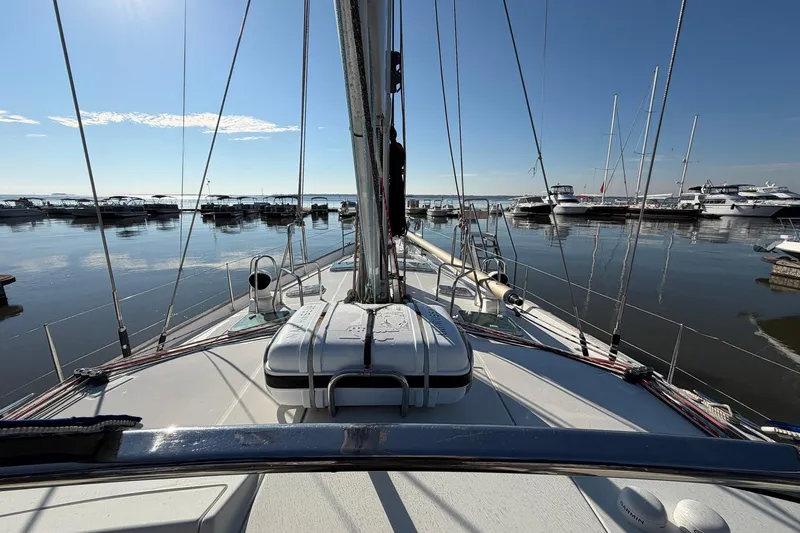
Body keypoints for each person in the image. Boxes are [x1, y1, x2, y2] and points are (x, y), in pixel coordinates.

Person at [388, 126, 406, 236]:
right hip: (398, 180)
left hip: (393, 181)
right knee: (398, 204)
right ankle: (397, 228)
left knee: (393, 204)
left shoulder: (389, 148)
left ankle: (394, 228)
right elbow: (403, 161)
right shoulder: (399, 147)